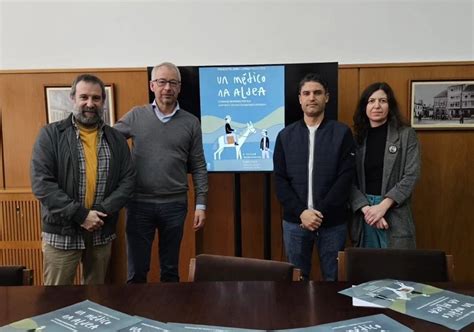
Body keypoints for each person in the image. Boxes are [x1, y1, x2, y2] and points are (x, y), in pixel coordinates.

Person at [30, 74, 135, 285]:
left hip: (100, 231)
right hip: (62, 233)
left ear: (103, 102)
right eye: (84, 97)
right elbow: (42, 184)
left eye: (96, 98)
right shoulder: (51, 135)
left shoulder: (115, 139)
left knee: (96, 300)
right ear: (73, 99)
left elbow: (128, 181)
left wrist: (98, 214)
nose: (90, 103)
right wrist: (81, 215)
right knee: (55, 300)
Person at [114, 62, 208, 283]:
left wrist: (201, 204)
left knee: (170, 270)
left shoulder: (191, 122)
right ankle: (136, 315)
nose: (167, 87)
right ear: (152, 85)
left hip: (174, 205)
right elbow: (107, 142)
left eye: (173, 83)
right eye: (162, 82)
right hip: (138, 204)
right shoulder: (136, 116)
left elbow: (199, 165)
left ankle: (169, 315)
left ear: (179, 87)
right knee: (137, 271)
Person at [273, 73, 355, 281]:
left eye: (317, 93)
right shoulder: (285, 136)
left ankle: (334, 315)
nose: (312, 98)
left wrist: (318, 214)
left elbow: (345, 178)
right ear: (299, 98)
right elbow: (280, 181)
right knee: (297, 280)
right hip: (295, 222)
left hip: (332, 222)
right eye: (306, 93)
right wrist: (302, 213)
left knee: (334, 279)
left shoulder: (342, 133)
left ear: (326, 97)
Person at [350, 82, 420, 249]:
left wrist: (382, 207)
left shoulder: (406, 135)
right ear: (364, 107)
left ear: (390, 105)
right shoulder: (356, 138)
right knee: (367, 271)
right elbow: (348, 179)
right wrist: (369, 210)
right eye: (371, 101)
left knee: (398, 270)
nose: (377, 106)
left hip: (393, 209)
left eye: (383, 101)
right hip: (364, 213)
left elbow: (411, 175)